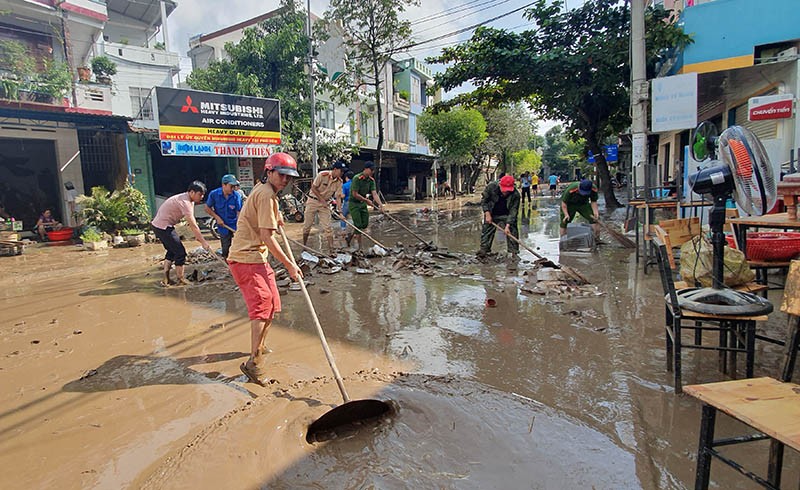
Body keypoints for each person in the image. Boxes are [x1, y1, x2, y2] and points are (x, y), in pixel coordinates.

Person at [227, 152, 303, 386]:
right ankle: (254, 363)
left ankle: (259, 346)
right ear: (269, 172)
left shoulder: (268, 194)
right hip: (246, 258)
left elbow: (263, 220)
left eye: (288, 177)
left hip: (257, 258)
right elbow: (267, 237)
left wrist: (276, 217)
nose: (284, 180)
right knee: (261, 308)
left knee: (271, 304)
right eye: (281, 175)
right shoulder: (266, 194)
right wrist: (290, 264)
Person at [151, 181, 211, 286]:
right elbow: (193, 225)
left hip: (160, 225)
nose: (201, 197)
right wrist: (203, 242)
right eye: (200, 194)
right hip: (163, 226)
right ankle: (181, 279)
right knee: (180, 252)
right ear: (192, 192)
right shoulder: (185, 202)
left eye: (202, 195)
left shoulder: (188, 200)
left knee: (171, 251)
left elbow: (191, 221)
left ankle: (166, 278)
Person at [303, 161, 347, 252]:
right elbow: (313, 188)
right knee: (307, 226)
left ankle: (331, 249)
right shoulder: (322, 175)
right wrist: (321, 200)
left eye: (343, 172)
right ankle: (304, 246)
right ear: (335, 169)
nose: (342, 173)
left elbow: (338, 197)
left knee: (328, 227)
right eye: (341, 171)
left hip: (325, 205)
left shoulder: (339, 182)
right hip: (313, 201)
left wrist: (340, 212)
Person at [478, 174, 520, 258]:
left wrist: (507, 225)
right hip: (492, 212)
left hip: (506, 214)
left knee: (512, 229)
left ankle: (513, 253)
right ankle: (484, 251)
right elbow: (484, 200)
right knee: (487, 231)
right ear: (500, 185)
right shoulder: (491, 187)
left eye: (508, 191)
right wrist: (487, 213)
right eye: (504, 190)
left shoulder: (515, 194)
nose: (505, 192)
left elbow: (513, 211)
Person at [346, 161, 383, 250]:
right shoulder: (357, 178)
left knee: (364, 224)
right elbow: (355, 194)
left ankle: (350, 235)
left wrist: (380, 205)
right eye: (371, 170)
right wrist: (366, 200)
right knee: (358, 225)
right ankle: (360, 247)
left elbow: (374, 194)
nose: (372, 172)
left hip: (362, 204)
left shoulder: (371, 181)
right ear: (366, 169)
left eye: (373, 170)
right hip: (354, 203)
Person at [204, 174, 243, 258]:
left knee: (239, 247)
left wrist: (240, 226)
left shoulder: (236, 196)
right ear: (224, 185)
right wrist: (217, 217)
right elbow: (207, 208)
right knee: (226, 248)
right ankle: (228, 265)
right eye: (231, 186)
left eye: (234, 186)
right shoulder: (214, 194)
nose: (233, 189)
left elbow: (239, 212)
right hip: (223, 225)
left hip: (234, 224)